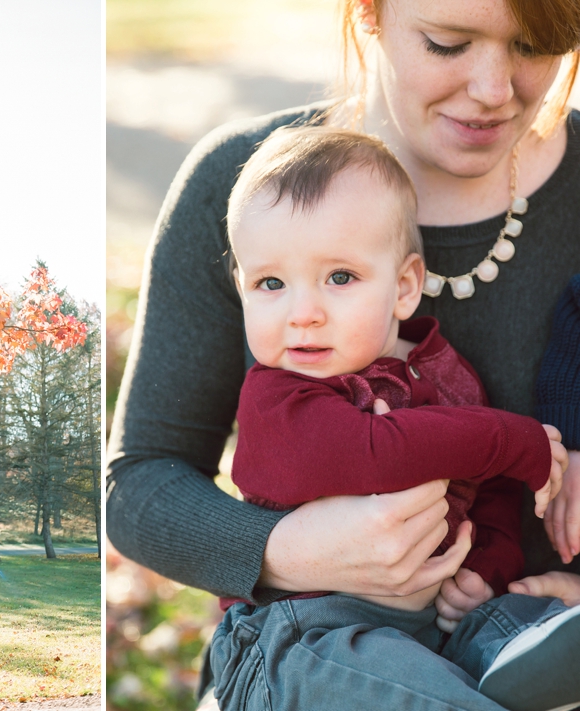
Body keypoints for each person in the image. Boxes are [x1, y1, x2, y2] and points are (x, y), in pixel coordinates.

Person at [105, 0, 580, 707]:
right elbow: (139, 485)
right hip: (312, 650)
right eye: (448, 43)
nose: (493, 88)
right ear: (369, 12)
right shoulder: (246, 186)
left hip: (506, 632)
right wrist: (291, 549)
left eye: (537, 46)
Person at [210, 123, 580, 711]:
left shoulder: (441, 373)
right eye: (271, 283)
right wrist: (512, 439)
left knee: (505, 615)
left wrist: (485, 566)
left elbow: (487, 495)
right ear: (242, 288)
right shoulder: (274, 398)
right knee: (401, 685)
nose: (303, 313)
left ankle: (519, 654)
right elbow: (375, 451)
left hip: (428, 630)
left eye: (340, 278)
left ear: (404, 286)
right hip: (301, 638)